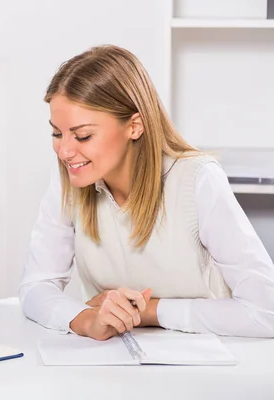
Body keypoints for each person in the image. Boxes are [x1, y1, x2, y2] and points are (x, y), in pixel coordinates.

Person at [20, 45, 274, 340]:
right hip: (112, 362)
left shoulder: (198, 180)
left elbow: (267, 311)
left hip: (209, 361)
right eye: (56, 133)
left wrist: (147, 312)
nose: (64, 151)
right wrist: (85, 319)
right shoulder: (68, 178)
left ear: (135, 126)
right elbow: (35, 286)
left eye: (83, 136)